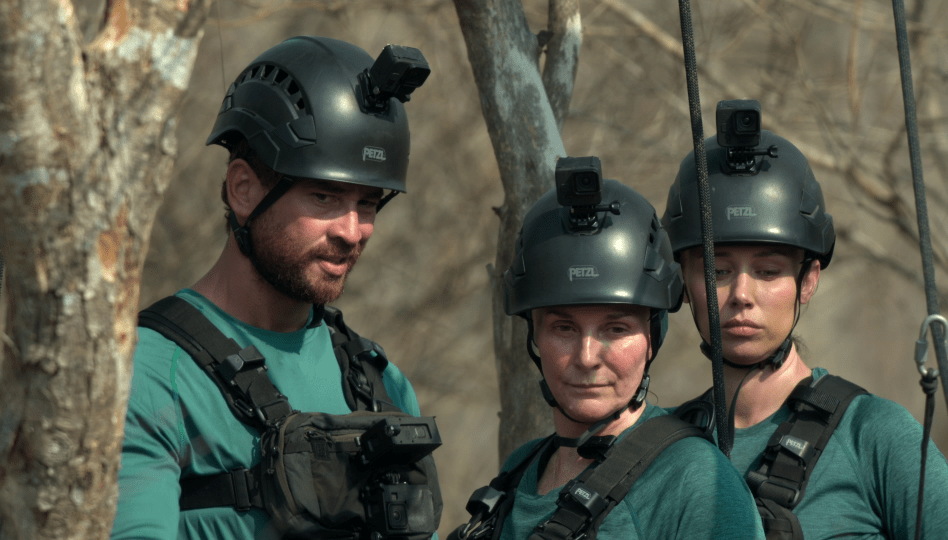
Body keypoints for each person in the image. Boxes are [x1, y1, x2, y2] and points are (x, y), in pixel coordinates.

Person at [111, 36, 440, 540]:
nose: (352, 231)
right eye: (325, 195)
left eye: (369, 202)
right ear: (243, 189)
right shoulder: (149, 374)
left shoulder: (381, 385)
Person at [661, 100, 948, 539]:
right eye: (717, 271)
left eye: (767, 271)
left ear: (808, 281)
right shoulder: (655, 449)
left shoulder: (874, 435)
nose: (742, 295)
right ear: (684, 282)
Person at [450, 159, 764, 540]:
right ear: (534, 335)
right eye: (564, 328)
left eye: (615, 329)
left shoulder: (694, 481)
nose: (586, 357)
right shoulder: (521, 470)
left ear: (652, 337)